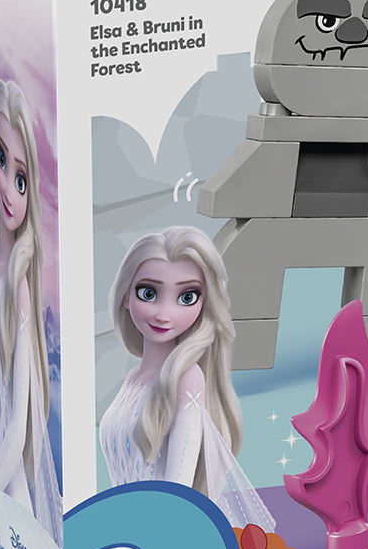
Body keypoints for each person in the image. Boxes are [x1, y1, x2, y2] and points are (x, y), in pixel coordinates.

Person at [100, 226, 275, 530]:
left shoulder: (187, 378)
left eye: (187, 296)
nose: (164, 314)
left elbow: (178, 491)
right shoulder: (132, 379)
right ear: (126, 296)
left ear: (204, 303)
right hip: (121, 530)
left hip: (160, 533)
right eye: (149, 293)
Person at [0, 79, 61, 544]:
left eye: (22, 179)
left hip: (11, 494)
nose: (11, 191)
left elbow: (19, 418)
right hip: (4, 489)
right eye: (0, 158)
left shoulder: (19, 281)